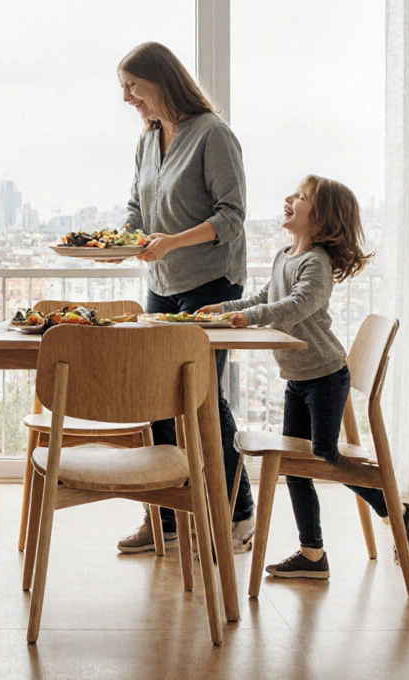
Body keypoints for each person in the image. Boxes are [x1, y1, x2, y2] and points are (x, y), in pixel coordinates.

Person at [204, 175, 409, 579]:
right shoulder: (285, 256)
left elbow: (297, 305)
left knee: (324, 458)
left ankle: (395, 509)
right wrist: (222, 308)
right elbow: (264, 299)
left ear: (320, 221)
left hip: (325, 375)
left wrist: (246, 318)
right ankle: (313, 555)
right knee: (295, 467)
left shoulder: (315, 263)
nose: (289, 198)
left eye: (301, 197)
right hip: (297, 378)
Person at [113, 41, 256, 554]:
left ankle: (239, 512)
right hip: (162, 286)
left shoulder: (213, 135)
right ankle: (167, 519)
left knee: (201, 401)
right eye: (124, 88)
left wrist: (170, 241)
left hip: (211, 286)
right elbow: (138, 205)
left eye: (133, 86)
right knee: (157, 399)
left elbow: (231, 218)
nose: (127, 97)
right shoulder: (148, 140)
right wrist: (128, 239)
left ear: (161, 81)